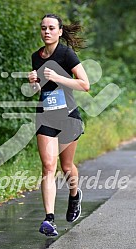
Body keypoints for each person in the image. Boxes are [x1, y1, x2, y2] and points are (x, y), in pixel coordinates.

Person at [28, 13, 90, 236]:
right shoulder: (36, 56)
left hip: (68, 117)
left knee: (66, 168)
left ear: (60, 31)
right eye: (43, 28)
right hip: (45, 116)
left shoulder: (66, 54)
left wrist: (57, 77)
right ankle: (49, 219)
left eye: (51, 28)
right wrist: (34, 83)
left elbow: (85, 84)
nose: (47, 31)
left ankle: (74, 195)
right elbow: (39, 90)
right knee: (48, 166)